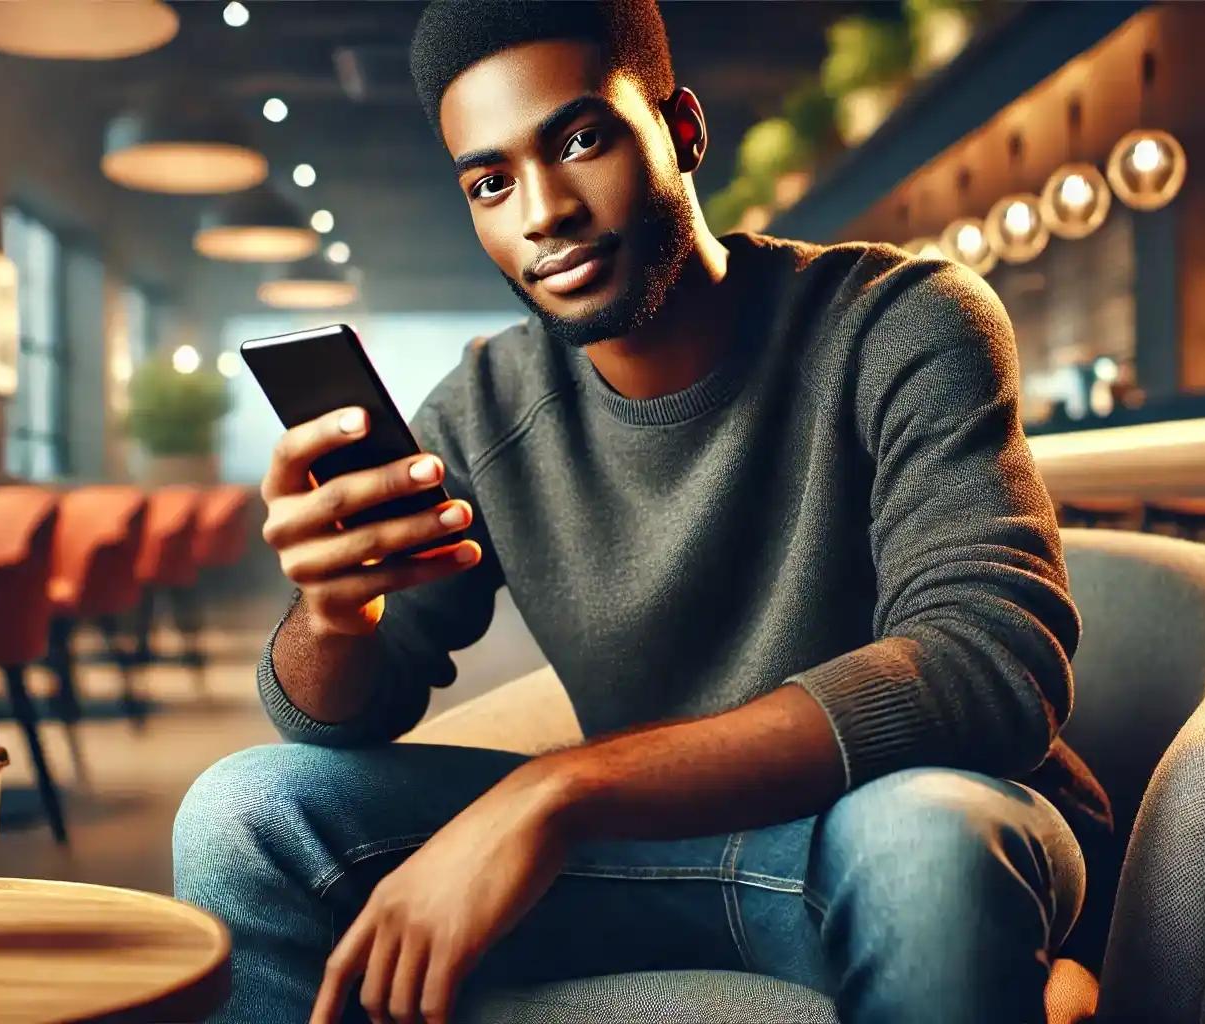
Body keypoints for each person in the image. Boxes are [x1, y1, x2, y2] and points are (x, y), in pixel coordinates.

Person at [174, 2, 1115, 1022]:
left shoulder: (902, 321)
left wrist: (558, 791)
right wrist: (329, 611)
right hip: (655, 854)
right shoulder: (482, 410)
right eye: (490, 183)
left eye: (580, 139)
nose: (542, 211)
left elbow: (991, 665)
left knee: (921, 839)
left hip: (892, 835)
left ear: (681, 130)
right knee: (242, 811)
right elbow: (343, 708)